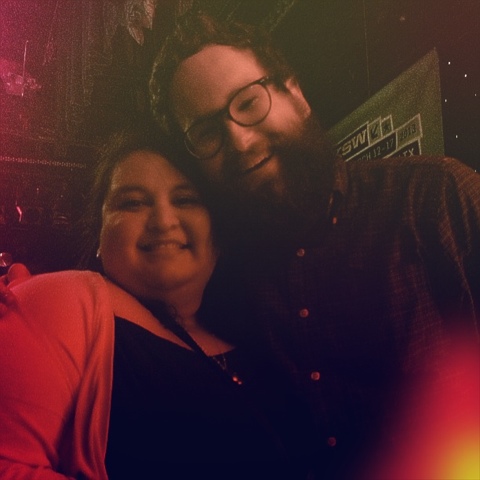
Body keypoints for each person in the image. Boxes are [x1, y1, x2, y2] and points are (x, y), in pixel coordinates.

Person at [147, 10, 480, 478]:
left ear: (296, 95)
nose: (238, 141)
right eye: (206, 132)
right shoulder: (222, 283)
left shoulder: (434, 197)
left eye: (248, 102)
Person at [0, 125, 315, 479]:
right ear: (99, 234)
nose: (163, 221)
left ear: (220, 232)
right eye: (132, 203)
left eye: (186, 199)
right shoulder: (64, 301)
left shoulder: (263, 332)